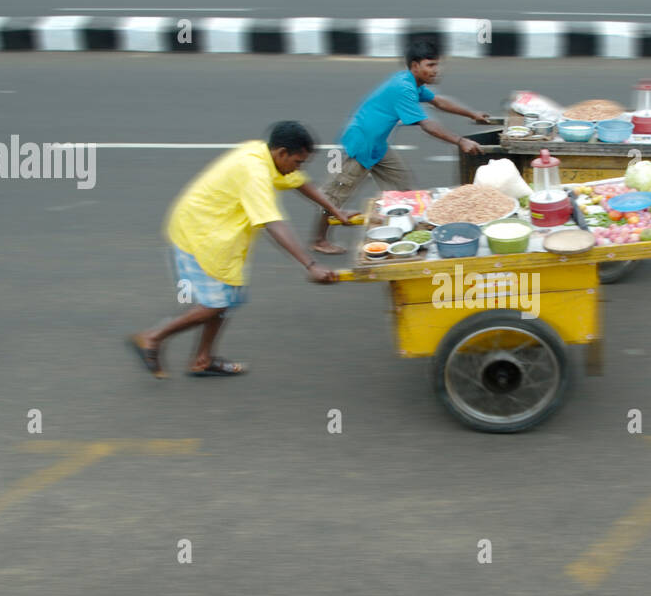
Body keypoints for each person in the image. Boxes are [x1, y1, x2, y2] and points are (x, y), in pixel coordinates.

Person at [128, 121, 358, 378]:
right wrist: (312, 265)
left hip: (223, 236)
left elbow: (300, 183)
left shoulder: (265, 154)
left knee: (227, 300)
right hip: (199, 234)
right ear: (281, 153)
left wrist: (335, 210)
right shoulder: (254, 171)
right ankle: (152, 337)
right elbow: (273, 223)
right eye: (298, 161)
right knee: (214, 304)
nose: (298, 167)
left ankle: (202, 360)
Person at [312, 41, 491, 254]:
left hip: (378, 145)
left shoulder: (413, 84)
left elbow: (439, 102)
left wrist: (472, 114)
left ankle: (402, 232)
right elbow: (428, 124)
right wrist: (460, 141)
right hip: (360, 146)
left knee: (404, 190)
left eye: (437, 65)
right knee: (334, 195)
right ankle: (319, 240)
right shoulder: (403, 88)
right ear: (415, 66)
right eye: (430, 65)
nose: (436, 70)